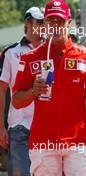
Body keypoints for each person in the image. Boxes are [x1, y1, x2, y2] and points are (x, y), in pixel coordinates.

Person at [12, 0, 86, 175]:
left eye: (60, 21)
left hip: (78, 143)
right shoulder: (30, 58)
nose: (55, 26)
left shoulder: (85, 57)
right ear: (45, 23)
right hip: (43, 143)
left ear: (69, 22)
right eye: (50, 21)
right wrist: (34, 92)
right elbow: (16, 101)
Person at [0, 7, 44, 176]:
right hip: (18, 126)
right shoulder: (11, 53)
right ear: (27, 23)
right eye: (40, 22)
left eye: (45, 22)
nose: (44, 26)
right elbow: (2, 90)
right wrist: (1, 127)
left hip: (47, 127)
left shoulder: (52, 51)